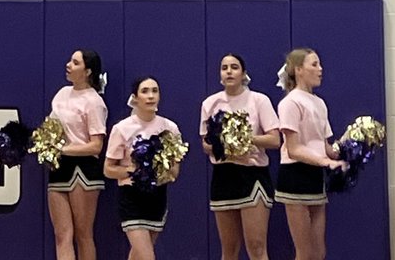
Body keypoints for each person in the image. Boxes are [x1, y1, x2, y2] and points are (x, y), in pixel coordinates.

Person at [200, 53, 280, 260]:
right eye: (224, 68)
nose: (229, 72)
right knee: (229, 249)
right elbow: (206, 144)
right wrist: (223, 146)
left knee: (256, 246)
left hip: (253, 176)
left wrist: (244, 140)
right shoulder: (210, 103)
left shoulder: (259, 100)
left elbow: (275, 140)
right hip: (223, 176)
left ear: (244, 73)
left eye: (234, 67)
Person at [274, 48, 345, 260]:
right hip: (294, 175)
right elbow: (294, 149)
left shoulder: (319, 103)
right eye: (314, 64)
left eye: (320, 64)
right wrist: (325, 162)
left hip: (315, 175)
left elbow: (326, 148)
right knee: (304, 253)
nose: (320, 69)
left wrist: (352, 142)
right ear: (298, 70)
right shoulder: (290, 102)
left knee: (318, 252)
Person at [104, 75, 183, 260]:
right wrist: (136, 171)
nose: (150, 96)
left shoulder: (170, 128)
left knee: (138, 255)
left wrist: (160, 172)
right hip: (131, 197)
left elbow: (175, 171)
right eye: (145, 91)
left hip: (157, 197)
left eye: (155, 91)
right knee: (147, 256)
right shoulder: (122, 128)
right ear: (135, 97)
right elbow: (108, 169)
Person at [47, 48, 107, 260]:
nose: (68, 65)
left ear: (88, 71)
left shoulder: (94, 101)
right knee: (61, 235)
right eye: (70, 61)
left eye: (75, 63)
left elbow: (96, 146)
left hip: (83, 170)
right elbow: (50, 129)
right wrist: (44, 145)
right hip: (58, 167)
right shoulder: (62, 94)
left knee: (83, 235)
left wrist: (63, 149)